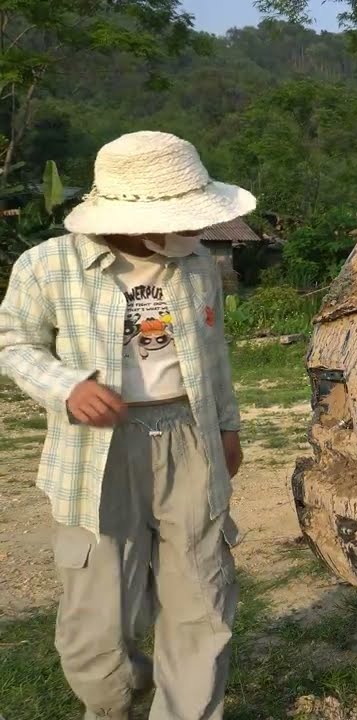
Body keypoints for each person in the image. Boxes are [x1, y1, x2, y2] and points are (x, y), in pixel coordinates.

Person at [0, 131, 255, 720]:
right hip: (95, 448)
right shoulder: (48, 266)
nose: (193, 229)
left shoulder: (196, 266)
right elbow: (14, 341)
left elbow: (213, 357)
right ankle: (116, 698)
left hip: (188, 434)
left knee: (200, 590)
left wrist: (226, 427)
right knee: (96, 616)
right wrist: (68, 387)